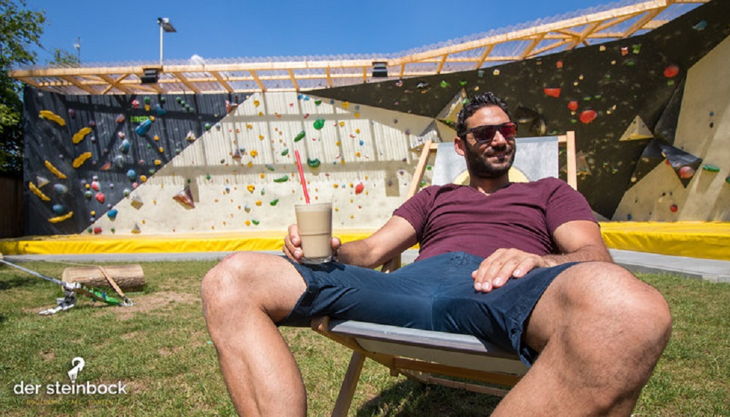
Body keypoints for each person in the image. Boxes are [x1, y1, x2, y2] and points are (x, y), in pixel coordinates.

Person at [202, 92, 672, 417]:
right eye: (485, 133)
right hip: (409, 286)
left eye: (506, 130)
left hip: (502, 288)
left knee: (628, 309)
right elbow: (371, 252)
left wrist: (540, 261)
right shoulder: (433, 196)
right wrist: (333, 249)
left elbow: (594, 254)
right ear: (461, 144)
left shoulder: (550, 192)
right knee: (232, 277)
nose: (500, 139)